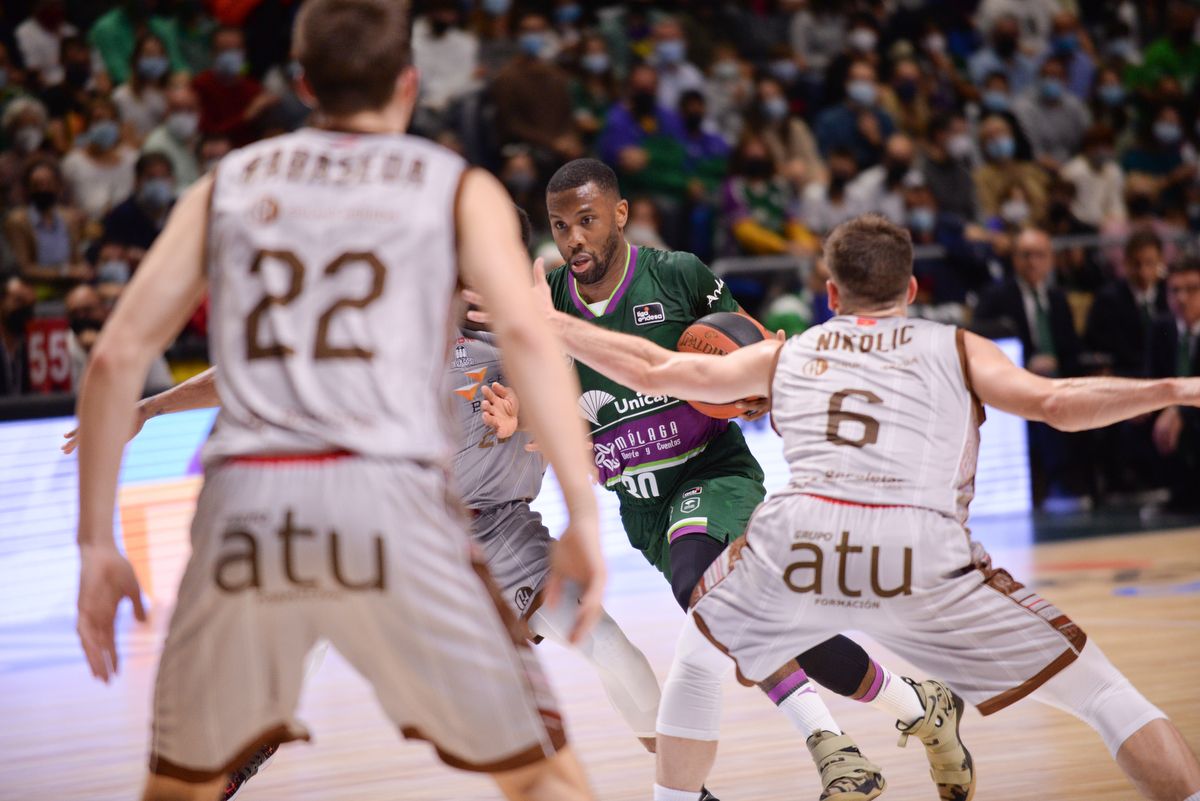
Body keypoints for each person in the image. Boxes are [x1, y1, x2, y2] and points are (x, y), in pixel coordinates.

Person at [71, 1, 604, 799]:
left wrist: (94, 543)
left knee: (181, 787)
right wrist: (583, 515)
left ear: (301, 84)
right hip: (388, 495)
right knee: (539, 775)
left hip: (247, 505)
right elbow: (530, 341)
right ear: (409, 83)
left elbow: (114, 357)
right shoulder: (457, 186)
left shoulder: (227, 185)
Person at [542, 213, 1200, 801]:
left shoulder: (787, 353)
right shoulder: (958, 348)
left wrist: (548, 322)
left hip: (807, 552)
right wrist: (1173, 387)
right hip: (923, 561)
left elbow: (654, 371)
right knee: (1105, 693)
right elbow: (1057, 405)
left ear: (830, 295)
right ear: (912, 291)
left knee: (699, 652)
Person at [473, 158, 970, 801]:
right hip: (643, 508)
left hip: (714, 475)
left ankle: (831, 748)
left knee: (700, 588)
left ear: (619, 215)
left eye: (587, 222)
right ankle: (918, 708)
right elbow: (557, 418)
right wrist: (523, 420)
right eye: (561, 225)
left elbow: (748, 365)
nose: (573, 240)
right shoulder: (552, 311)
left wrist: (757, 388)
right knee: (780, 627)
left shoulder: (678, 275)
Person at [1146, 259, 1200, 513]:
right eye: (1175, 290)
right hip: (1167, 407)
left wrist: (1180, 411)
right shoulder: (1161, 327)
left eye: (1192, 289)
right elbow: (1151, 377)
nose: (1182, 298)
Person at [3, 157, 90, 292]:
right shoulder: (17, 221)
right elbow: (24, 268)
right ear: (27, 189)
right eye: (37, 185)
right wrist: (64, 272)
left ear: (58, 186)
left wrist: (83, 269)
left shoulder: (69, 219)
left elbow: (78, 259)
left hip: (71, 285)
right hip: (35, 287)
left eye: (48, 184)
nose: (44, 189)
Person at [61, 96, 138, 222]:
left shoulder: (133, 159)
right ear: (87, 126)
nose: (102, 126)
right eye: (97, 121)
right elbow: (64, 206)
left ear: (117, 124)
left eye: (106, 120)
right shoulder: (72, 163)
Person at [112, 33, 172, 142]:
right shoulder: (122, 95)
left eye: (159, 54)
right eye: (149, 54)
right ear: (136, 60)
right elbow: (129, 138)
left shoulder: (176, 92)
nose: (155, 59)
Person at [142, 85, 202, 189]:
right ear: (166, 111)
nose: (184, 115)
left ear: (199, 111)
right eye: (177, 109)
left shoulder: (204, 139)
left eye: (190, 109)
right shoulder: (155, 144)